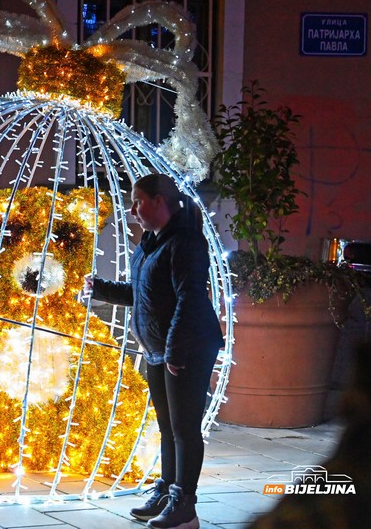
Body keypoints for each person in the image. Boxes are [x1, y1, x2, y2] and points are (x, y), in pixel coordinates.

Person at [83, 173, 223, 529]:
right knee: (167, 427)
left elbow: (189, 300)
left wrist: (176, 351)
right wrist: (99, 289)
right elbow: (142, 294)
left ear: (159, 201)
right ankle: (167, 490)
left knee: (185, 427)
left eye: (138, 201)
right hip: (158, 349)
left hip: (186, 349)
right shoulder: (150, 241)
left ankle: (184, 507)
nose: (132, 210)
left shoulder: (186, 242)